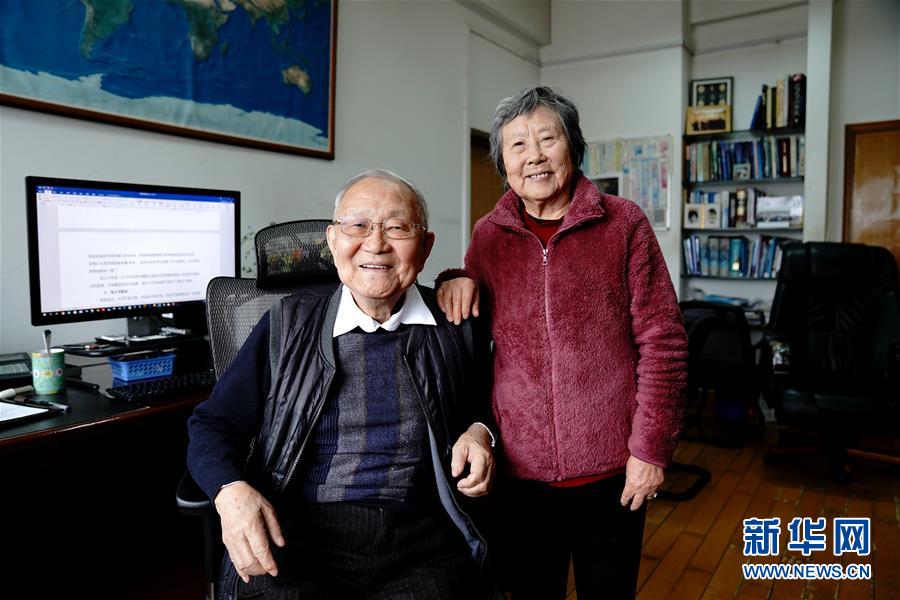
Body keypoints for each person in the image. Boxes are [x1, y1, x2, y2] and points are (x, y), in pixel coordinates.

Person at [188, 170, 498, 600]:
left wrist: (480, 432)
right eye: (358, 226)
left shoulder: (455, 325)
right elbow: (212, 424)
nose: (376, 244)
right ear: (333, 241)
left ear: (425, 247)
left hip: (420, 542)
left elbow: (490, 406)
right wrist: (230, 490)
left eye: (397, 227)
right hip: (296, 534)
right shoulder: (285, 323)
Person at [436, 86, 688, 599]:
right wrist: (453, 279)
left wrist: (650, 449)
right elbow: (471, 316)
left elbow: (664, 343)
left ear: (573, 145)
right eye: (517, 145)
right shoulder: (489, 235)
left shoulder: (624, 224)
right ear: (503, 163)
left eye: (547, 139)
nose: (534, 156)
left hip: (614, 470)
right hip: (520, 475)